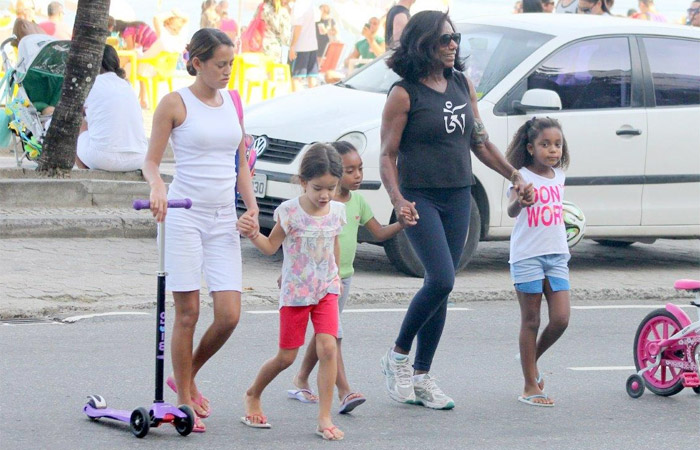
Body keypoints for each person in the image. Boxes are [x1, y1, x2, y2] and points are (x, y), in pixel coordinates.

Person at [379, 11, 532, 409]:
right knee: (442, 279)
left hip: (458, 195)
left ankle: (422, 376)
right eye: (445, 39)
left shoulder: (462, 84)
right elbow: (387, 155)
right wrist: (398, 200)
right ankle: (397, 356)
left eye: (455, 38)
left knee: (441, 289)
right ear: (423, 43)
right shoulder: (404, 94)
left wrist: (514, 174)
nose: (453, 45)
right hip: (419, 198)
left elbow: (479, 142)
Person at [141, 28, 260, 433]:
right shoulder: (175, 103)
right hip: (184, 215)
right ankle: (182, 401)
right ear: (197, 62)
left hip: (223, 217)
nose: (228, 71)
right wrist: (157, 186)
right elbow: (151, 162)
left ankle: (187, 376)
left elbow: (241, 161)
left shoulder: (234, 102)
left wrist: (252, 207)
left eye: (232, 63)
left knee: (229, 315)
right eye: (220, 64)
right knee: (188, 313)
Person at [236, 144, 346, 441]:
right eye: (317, 188)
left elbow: (332, 247)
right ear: (302, 181)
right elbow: (272, 247)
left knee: (328, 348)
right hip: (296, 292)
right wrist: (252, 234)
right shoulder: (290, 212)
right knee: (286, 357)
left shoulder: (337, 211)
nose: (325, 195)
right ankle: (253, 393)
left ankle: (324, 417)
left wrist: (336, 278)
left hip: (326, 289)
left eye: (331, 188)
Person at [290, 140, 408, 413]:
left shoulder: (358, 202)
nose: (357, 176)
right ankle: (344, 391)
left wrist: (402, 223)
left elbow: (378, 233)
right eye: (350, 170)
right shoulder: (318, 205)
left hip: (343, 279)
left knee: (327, 333)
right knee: (333, 335)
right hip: (316, 278)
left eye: (360, 169)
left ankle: (301, 378)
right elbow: (295, 239)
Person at [504, 117, 571, 407]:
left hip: (557, 255)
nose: (553, 150)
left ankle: (530, 359)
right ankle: (530, 385)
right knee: (531, 320)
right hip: (527, 256)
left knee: (561, 319)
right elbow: (510, 211)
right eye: (545, 144)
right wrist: (521, 201)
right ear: (530, 148)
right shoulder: (519, 175)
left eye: (557, 144)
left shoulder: (559, 176)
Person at [75, 45, 147, 172]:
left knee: (76, 120)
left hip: (102, 159)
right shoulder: (127, 85)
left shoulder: (90, 83)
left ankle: (84, 171)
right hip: (139, 158)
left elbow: (77, 111)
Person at [289, 0, 319, 91]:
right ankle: (313, 100)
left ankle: (297, 102)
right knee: (312, 76)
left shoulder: (298, 5)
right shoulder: (309, 3)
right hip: (312, 45)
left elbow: (298, 27)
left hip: (300, 46)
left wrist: (292, 46)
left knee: (296, 78)